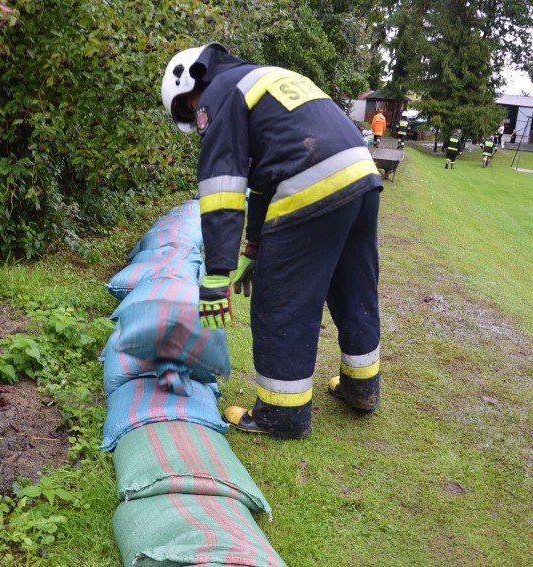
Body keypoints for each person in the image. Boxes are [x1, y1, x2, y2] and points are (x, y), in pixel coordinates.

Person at [161, 43, 383, 439]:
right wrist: (253, 246)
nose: (196, 117)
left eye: (189, 107)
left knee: (282, 299)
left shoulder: (219, 95)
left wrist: (216, 273)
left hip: (312, 181)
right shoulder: (264, 79)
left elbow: (222, 189)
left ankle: (282, 415)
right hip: (360, 174)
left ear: (194, 80)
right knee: (354, 288)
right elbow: (264, 180)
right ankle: (361, 388)